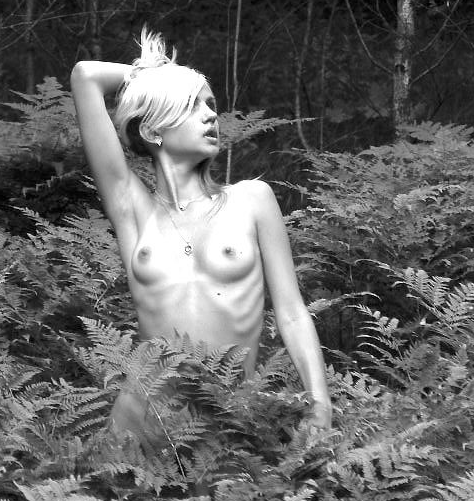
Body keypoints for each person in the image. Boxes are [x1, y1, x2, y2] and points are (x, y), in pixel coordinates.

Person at [70, 29, 332, 447]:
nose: (211, 115)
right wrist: (161, 76)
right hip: (140, 424)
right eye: (193, 105)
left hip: (229, 423)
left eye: (210, 105)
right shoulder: (134, 210)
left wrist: (320, 403)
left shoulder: (252, 200)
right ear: (153, 129)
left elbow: (292, 312)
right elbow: (86, 77)